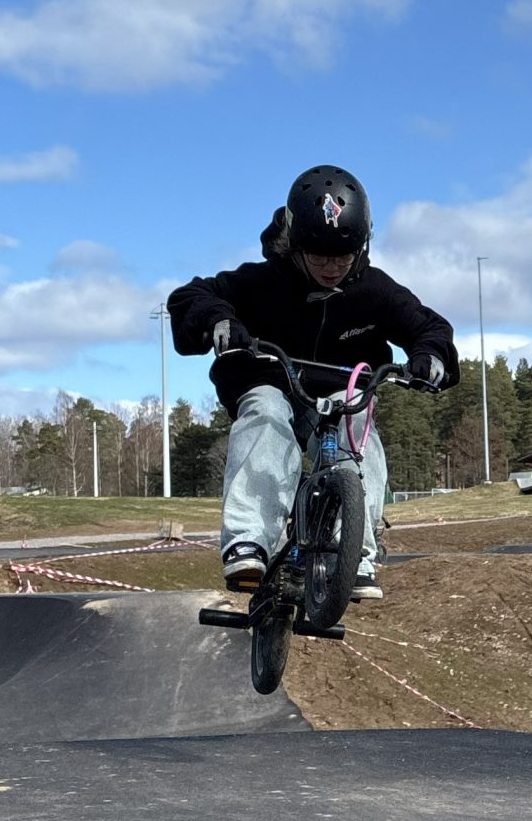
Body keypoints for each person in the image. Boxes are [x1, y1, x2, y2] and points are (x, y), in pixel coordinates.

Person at [167, 166, 458, 602]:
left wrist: (429, 357)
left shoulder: (375, 291)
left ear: (361, 246)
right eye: (318, 257)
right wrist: (218, 321)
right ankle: (249, 539)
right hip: (272, 382)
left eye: (342, 258)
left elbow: (430, 327)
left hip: (342, 391)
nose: (331, 268)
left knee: (358, 432)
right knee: (265, 412)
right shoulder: (262, 282)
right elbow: (190, 297)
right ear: (295, 244)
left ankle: (354, 550)